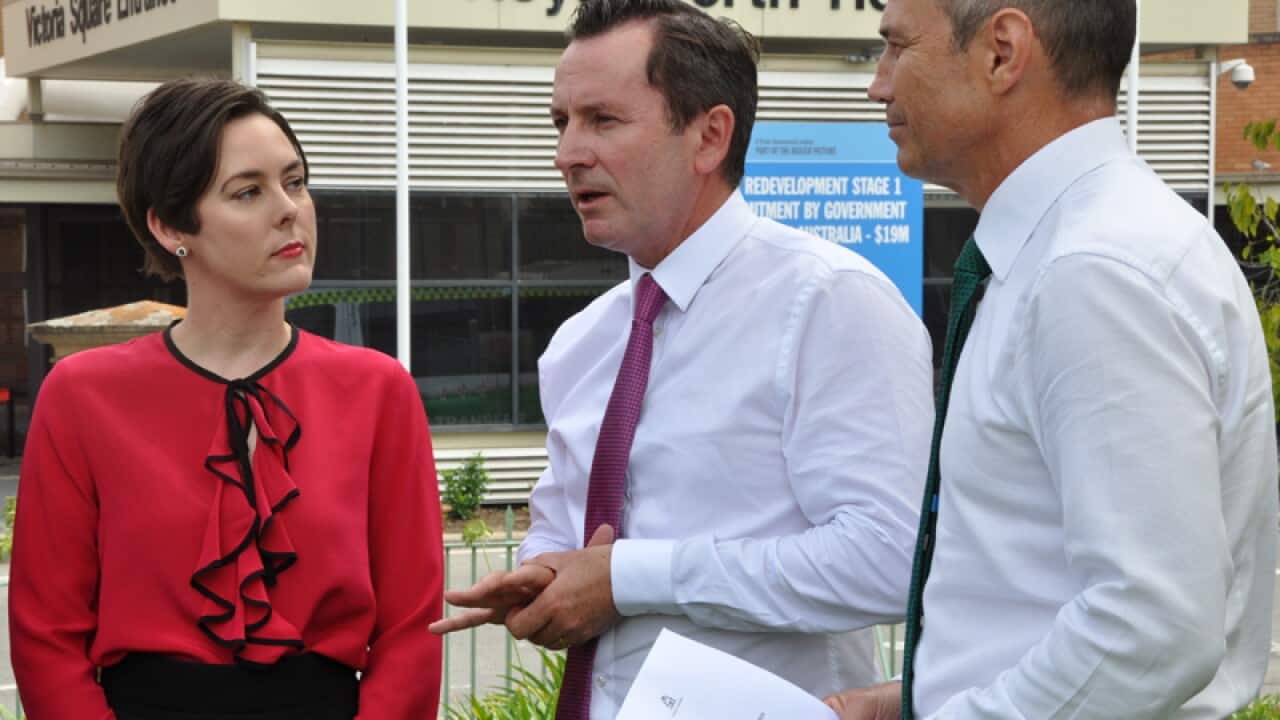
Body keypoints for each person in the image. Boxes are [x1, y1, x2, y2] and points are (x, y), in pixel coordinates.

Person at [429, 1, 934, 718]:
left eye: (602, 120)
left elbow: (893, 561)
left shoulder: (829, 301)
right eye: (560, 123)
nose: (567, 153)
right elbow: (561, 527)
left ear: (709, 135)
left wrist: (631, 577)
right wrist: (541, 577)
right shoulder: (581, 342)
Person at [825, 1, 1279, 718]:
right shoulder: (1082, 249)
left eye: (896, 47)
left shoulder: (1092, 270)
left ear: (1002, 51)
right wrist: (921, 699)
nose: (877, 85)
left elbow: (1151, 627)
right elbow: (1036, 591)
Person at [9, 78, 444, 719]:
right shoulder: (80, 397)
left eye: (295, 182)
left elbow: (412, 627)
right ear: (168, 226)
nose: (288, 208)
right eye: (248, 192)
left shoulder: (380, 392)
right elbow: (45, 637)